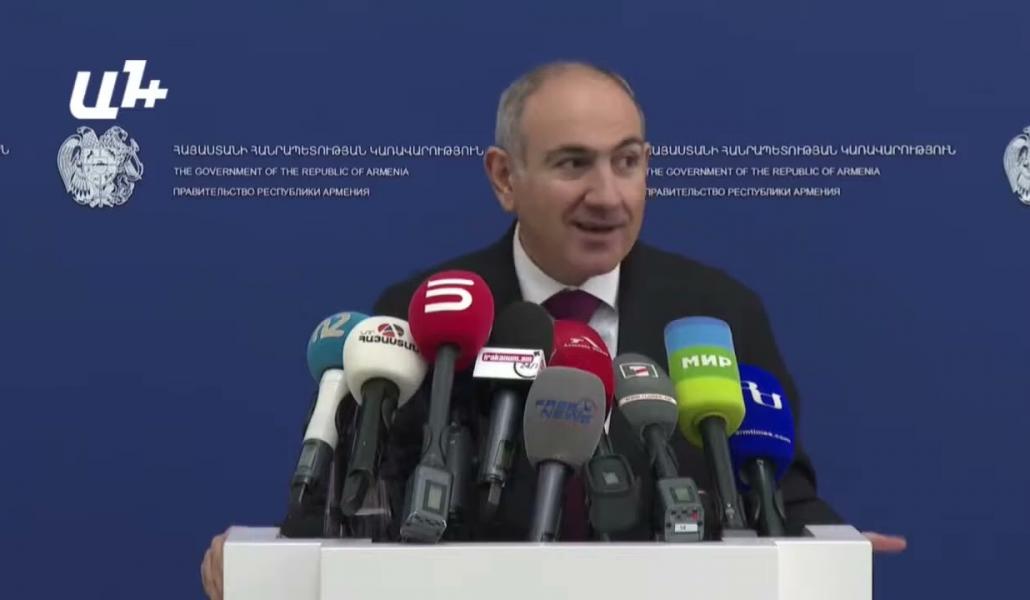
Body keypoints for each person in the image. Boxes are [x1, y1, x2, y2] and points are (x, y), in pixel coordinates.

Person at [201, 60, 905, 599]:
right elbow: (349, 500)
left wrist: (825, 546)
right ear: (505, 178)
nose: (609, 195)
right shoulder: (419, 314)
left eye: (628, 161)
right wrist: (272, 561)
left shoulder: (717, 313)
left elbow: (774, 489)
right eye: (574, 163)